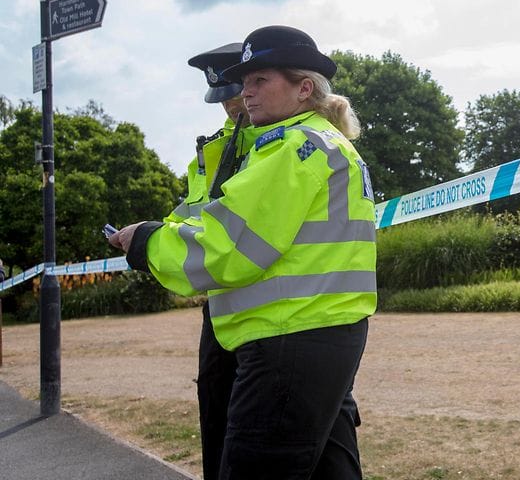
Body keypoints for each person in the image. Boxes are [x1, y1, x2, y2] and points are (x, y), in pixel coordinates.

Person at [109, 25, 377, 479]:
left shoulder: (293, 149)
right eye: (244, 82)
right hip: (319, 332)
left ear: (303, 88)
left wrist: (147, 242)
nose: (244, 93)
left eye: (259, 81)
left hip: (287, 340)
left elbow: (227, 250)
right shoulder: (320, 142)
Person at [172, 43, 251, 480]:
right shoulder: (210, 152)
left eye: (237, 91)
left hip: (275, 310)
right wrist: (150, 234)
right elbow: (190, 215)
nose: (229, 104)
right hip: (221, 306)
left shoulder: (278, 144)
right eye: (223, 96)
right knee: (216, 412)